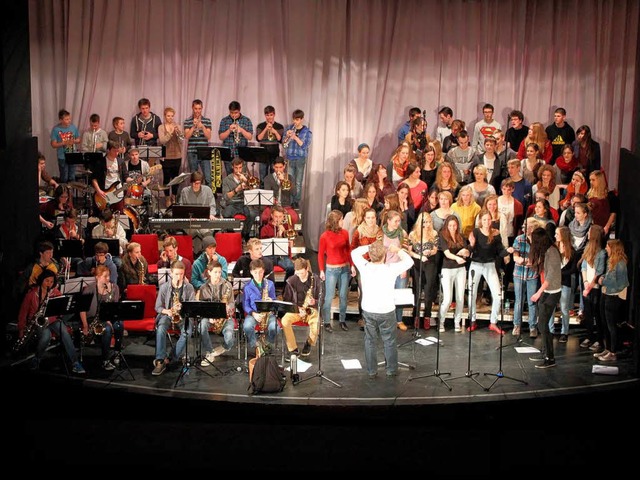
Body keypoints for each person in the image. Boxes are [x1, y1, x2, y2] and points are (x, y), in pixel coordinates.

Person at [352, 240, 413, 378]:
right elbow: (409, 261)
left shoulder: (364, 266)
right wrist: (397, 250)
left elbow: (354, 252)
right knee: (389, 341)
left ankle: (371, 371)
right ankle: (391, 370)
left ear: (371, 256)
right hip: (386, 311)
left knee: (370, 341)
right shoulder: (390, 269)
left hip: (369, 310)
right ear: (384, 256)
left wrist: (370, 247)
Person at [16, 270, 85, 374]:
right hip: (38, 322)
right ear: (41, 280)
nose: (49, 284)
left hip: (53, 320)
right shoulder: (32, 294)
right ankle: (37, 358)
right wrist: (21, 329)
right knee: (46, 336)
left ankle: (75, 363)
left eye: (52, 282)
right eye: (47, 281)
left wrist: (60, 306)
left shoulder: (55, 292)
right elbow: (23, 312)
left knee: (64, 332)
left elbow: (61, 311)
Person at [466, 210, 511, 334]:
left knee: (497, 295)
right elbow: (470, 248)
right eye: (484, 219)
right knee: (472, 294)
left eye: (489, 219)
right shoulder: (475, 232)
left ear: (492, 221)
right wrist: (471, 244)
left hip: (490, 265)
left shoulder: (495, 234)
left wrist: (509, 251)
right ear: (480, 221)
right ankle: (472, 320)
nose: (486, 222)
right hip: (476, 265)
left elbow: (500, 251)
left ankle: (493, 322)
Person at [152, 261, 196, 376]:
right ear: (171, 273)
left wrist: (183, 307)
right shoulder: (164, 287)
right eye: (176, 274)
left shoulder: (189, 287)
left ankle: (171, 358)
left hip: (183, 315)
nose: (179, 277)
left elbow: (192, 307)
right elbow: (158, 307)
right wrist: (167, 311)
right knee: (161, 329)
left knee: (187, 332)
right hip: (168, 314)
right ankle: (160, 359)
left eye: (181, 274)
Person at [527, 227, 562, 369]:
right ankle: (545, 352)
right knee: (541, 323)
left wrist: (538, 293)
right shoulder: (546, 251)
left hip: (552, 292)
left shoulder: (552, 252)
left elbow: (550, 277)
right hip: (547, 291)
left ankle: (550, 358)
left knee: (542, 324)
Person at [318, 210, 356, 332]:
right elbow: (320, 255)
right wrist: (321, 270)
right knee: (329, 297)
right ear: (335, 221)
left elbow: (348, 250)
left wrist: (352, 265)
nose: (343, 221)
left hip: (344, 268)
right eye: (341, 219)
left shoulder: (344, 233)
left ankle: (342, 320)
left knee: (343, 296)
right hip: (332, 269)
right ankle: (327, 321)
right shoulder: (325, 236)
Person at [196, 260, 236, 365]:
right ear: (209, 272)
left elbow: (232, 303)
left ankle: (223, 348)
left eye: (219, 272)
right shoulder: (203, 288)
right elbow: (201, 307)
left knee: (229, 337)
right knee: (201, 326)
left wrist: (228, 308)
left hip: (225, 317)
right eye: (215, 272)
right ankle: (209, 351)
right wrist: (209, 317)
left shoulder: (227, 286)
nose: (218, 275)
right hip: (210, 317)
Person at [281, 258, 322, 360]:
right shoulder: (291, 281)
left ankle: (309, 343)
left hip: (311, 309)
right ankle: (293, 349)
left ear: (307, 269)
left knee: (316, 323)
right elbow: (287, 300)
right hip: (296, 310)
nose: (300, 276)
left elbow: (322, 299)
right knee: (285, 320)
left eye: (302, 273)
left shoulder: (315, 280)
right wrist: (297, 308)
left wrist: (314, 302)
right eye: (297, 273)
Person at [507, 218, 541, 338]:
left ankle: (533, 326)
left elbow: (538, 259)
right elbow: (516, 257)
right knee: (519, 300)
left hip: (532, 274)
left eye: (526, 227)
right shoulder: (519, 239)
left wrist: (528, 261)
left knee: (532, 301)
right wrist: (525, 260)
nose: (523, 229)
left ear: (532, 228)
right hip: (519, 274)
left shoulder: (538, 241)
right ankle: (517, 325)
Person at [596, 239, 629, 362]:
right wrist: (604, 277)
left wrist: (603, 281)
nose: (606, 248)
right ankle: (608, 348)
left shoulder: (620, 263)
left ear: (613, 248)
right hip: (606, 294)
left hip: (614, 297)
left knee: (611, 325)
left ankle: (613, 352)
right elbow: (608, 275)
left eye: (608, 246)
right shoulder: (611, 261)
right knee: (605, 324)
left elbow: (622, 283)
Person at [438, 215, 470, 333]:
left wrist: (465, 252)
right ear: (447, 225)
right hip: (448, 269)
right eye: (450, 225)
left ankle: (457, 321)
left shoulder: (461, 236)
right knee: (447, 298)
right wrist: (457, 257)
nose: (452, 227)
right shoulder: (443, 236)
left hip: (460, 269)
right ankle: (441, 322)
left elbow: (466, 251)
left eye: (454, 225)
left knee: (460, 297)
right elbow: (447, 253)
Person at [407, 212, 439, 330]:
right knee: (417, 290)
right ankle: (415, 316)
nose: (427, 224)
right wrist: (419, 256)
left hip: (430, 263)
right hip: (417, 263)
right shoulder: (413, 234)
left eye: (429, 221)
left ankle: (427, 316)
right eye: (424, 222)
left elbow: (435, 249)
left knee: (428, 290)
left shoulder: (434, 233)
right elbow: (409, 251)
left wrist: (429, 252)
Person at [242, 258, 279, 356]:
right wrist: (254, 314)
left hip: (268, 313)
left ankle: (268, 344)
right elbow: (245, 305)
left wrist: (272, 301)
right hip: (254, 313)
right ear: (251, 272)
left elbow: (275, 300)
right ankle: (256, 345)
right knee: (247, 326)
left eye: (260, 272)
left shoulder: (269, 284)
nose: (258, 275)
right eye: (255, 272)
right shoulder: (247, 287)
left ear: (264, 271)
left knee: (275, 328)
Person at [579, 224, 606, 351]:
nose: (588, 233)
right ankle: (589, 336)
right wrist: (585, 282)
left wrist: (589, 286)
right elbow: (584, 267)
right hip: (586, 285)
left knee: (597, 314)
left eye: (590, 232)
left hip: (594, 287)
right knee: (588, 313)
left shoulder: (601, 253)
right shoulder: (587, 249)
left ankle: (599, 340)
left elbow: (599, 272)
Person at [549, 226, 579, 343]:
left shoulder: (572, 252)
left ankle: (564, 332)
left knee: (564, 308)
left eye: (557, 233)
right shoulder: (553, 249)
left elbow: (572, 269)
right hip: (553, 283)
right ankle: (550, 330)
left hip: (565, 282)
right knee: (551, 307)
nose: (555, 235)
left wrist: (559, 273)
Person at [179, 171, 218, 252]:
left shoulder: (207, 190)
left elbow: (212, 205)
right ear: (191, 182)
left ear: (201, 183)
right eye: (194, 183)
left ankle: (205, 253)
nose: (196, 185)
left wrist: (210, 214)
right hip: (190, 222)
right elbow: (181, 208)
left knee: (206, 232)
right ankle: (197, 253)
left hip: (204, 221)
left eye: (198, 183)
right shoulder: (185, 191)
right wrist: (187, 217)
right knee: (195, 231)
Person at [220, 158, 258, 241]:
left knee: (252, 214)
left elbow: (255, 191)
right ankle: (232, 235)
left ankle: (245, 234)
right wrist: (236, 189)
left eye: (240, 168)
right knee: (226, 213)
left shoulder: (246, 177)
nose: (238, 170)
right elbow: (226, 197)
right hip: (232, 204)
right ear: (232, 167)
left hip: (244, 203)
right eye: (236, 168)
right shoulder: (227, 179)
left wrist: (246, 181)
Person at [282, 109, 312, 208]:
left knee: (298, 181)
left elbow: (304, 146)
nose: (295, 122)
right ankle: (290, 201)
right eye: (294, 119)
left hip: (300, 159)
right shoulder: (289, 128)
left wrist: (295, 137)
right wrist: (287, 137)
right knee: (290, 180)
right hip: (290, 158)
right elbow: (284, 144)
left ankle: (296, 201)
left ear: (302, 119)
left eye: (298, 119)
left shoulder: (307, 131)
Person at [90, 140, 130, 214]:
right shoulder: (101, 162)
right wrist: (98, 191)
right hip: (105, 193)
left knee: (119, 215)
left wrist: (132, 180)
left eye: (118, 151)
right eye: (114, 151)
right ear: (108, 150)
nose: (116, 153)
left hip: (118, 193)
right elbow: (94, 178)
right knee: (105, 216)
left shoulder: (120, 161)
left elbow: (126, 176)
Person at [259, 205, 295, 281]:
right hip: (268, 256)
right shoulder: (265, 229)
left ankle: (286, 288)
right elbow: (263, 246)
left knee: (291, 267)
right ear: (272, 216)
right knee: (264, 268)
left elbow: (290, 244)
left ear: (283, 217)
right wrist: (277, 236)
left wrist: (283, 234)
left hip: (282, 256)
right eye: (276, 216)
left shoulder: (287, 228)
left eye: (280, 216)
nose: (278, 219)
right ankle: (269, 287)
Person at [157, 107, 184, 206]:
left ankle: (174, 196)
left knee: (176, 178)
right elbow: (162, 141)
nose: (170, 118)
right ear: (164, 116)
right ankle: (167, 198)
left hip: (177, 155)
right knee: (166, 178)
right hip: (166, 156)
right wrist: (170, 133)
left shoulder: (178, 126)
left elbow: (181, 140)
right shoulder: (161, 127)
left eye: (172, 116)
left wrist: (178, 133)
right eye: (168, 116)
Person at [261, 156, 299, 226]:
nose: (278, 170)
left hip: (285, 206)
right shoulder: (268, 178)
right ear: (273, 167)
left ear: (284, 166)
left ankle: (289, 234)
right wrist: (271, 199)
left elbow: (294, 193)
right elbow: (267, 194)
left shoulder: (290, 178)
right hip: (273, 207)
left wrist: (283, 180)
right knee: (264, 217)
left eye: (280, 167)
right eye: (276, 167)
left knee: (294, 217)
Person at [218, 100, 253, 174]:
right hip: (229, 154)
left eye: (236, 113)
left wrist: (241, 130)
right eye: (231, 113)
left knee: (242, 177)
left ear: (239, 111)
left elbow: (250, 137)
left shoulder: (246, 120)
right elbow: (221, 137)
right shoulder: (224, 120)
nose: (234, 115)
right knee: (229, 176)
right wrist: (229, 130)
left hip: (241, 155)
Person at [184, 99, 213, 186]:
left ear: (202, 108)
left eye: (199, 108)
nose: (197, 111)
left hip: (204, 151)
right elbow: (186, 136)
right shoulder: (187, 121)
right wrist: (193, 126)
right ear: (192, 108)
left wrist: (202, 127)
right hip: (192, 151)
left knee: (208, 177)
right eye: (196, 108)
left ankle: (209, 197)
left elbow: (208, 136)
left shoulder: (207, 121)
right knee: (194, 177)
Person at [50, 108, 80, 183]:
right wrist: (64, 143)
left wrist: (74, 141)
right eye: (66, 119)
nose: (69, 120)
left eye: (69, 119)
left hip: (73, 154)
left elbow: (78, 139)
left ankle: (71, 194)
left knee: (72, 176)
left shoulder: (73, 127)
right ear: (61, 120)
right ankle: (64, 193)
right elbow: (53, 144)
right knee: (64, 177)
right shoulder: (56, 129)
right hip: (62, 156)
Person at [255, 105, 285, 180]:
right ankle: (262, 191)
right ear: (265, 115)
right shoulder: (260, 126)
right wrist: (266, 128)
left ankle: (272, 191)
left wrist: (274, 131)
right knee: (262, 175)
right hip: (263, 153)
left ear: (274, 114)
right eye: (267, 115)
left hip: (274, 152)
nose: (269, 117)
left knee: (273, 175)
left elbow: (280, 140)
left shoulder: (279, 126)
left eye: (271, 115)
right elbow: (258, 138)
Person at [586, 170, 618, 236]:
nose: (591, 182)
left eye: (593, 180)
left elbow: (613, 213)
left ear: (600, 180)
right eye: (590, 180)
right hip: (591, 225)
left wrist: (607, 227)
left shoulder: (609, 195)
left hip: (603, 226)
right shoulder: (589, 193)